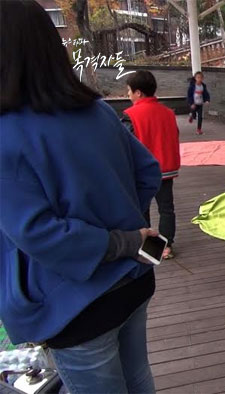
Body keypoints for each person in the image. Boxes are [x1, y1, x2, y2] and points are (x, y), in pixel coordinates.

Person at [0, 1, 162, 393]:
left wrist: (116, 242)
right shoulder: (96, 109)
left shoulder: (6, 133)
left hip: (74, 301)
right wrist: (124, 223)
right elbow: (147, 171)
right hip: (134, 279)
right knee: (138, 379)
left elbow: (38, 233)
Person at [123, 70, 181, 259]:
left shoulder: (130, 115)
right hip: (166, 169)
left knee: (143, 209)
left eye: (129, 91)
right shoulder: (168, 113)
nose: (128, 95)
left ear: (138, 92)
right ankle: (166, 246)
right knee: (166, 208)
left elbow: (125, 146)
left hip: (142, 173)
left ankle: (149, 247)